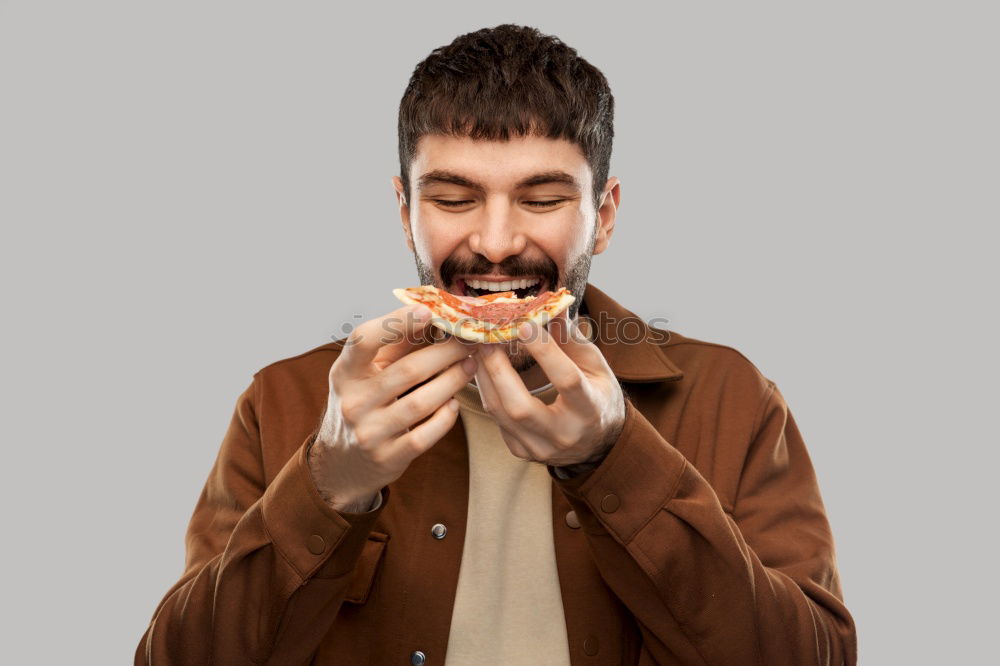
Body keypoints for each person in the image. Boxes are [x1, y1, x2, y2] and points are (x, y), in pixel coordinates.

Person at [135, 24, 857, 665]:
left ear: (603, 217)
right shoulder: (284, 401)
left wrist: (612, 459)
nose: (496, 242)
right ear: (404, 210)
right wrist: (331, 483)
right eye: (452, 199)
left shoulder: (730, 396)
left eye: (543, 200)